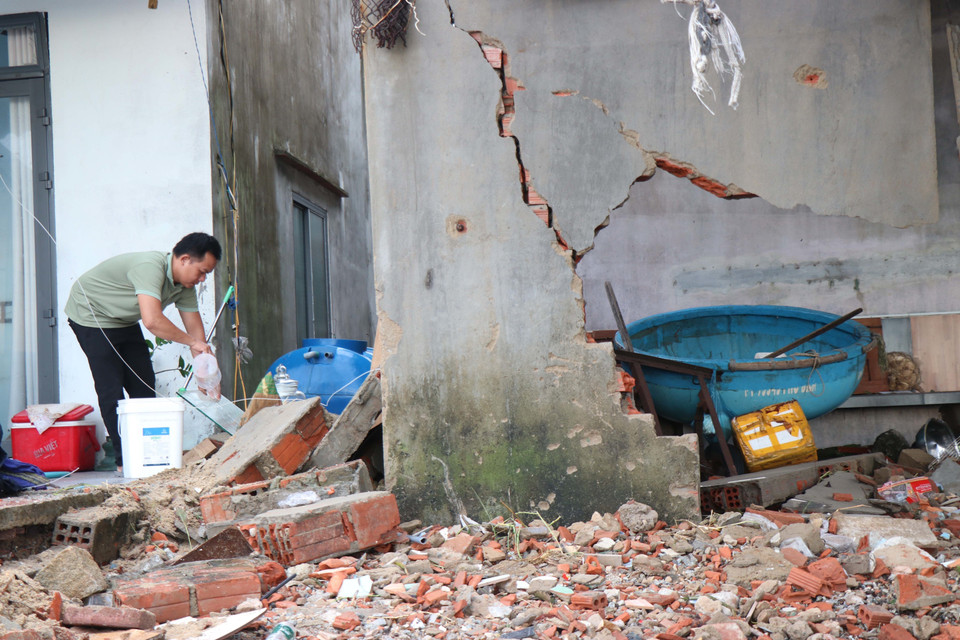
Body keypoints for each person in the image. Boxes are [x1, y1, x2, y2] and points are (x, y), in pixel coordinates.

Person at [64, 232, 222, 472]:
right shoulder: (150, 267)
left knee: (144, 385)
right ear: (184, 259)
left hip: (123, 320)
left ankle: (149, 456)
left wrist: (207, 376)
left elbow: (196, 335)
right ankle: (123, 461)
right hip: (91, 314)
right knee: (111, 387)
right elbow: (152, 321)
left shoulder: (184, 286)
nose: (202, 279)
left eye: (206, 275)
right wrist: (192, 343)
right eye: (202, 271)